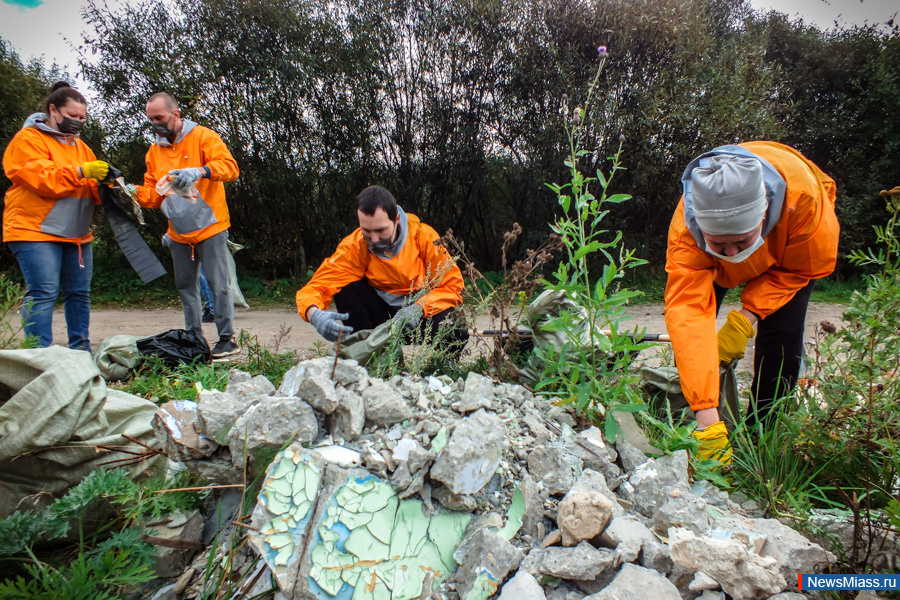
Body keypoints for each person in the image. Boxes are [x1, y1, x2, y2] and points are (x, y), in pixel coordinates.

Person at [665, 141, 839, 461]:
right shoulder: (687, 232)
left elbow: (803, 268)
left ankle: (762, 438)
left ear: (764, 213)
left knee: (782, 340)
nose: (732, 255)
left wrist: (748, 316)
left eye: (741, 242)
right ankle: (698, 420)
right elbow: (688, 313)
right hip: (709, 258)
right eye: (720, 243)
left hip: (787, 253)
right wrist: (707, 422)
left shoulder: (805, 203)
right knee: (693, 342)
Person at [2, 82, 109, 351]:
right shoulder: (28, 140)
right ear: (53, 110)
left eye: (82, 118)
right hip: (34, 230)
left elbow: (90, 189)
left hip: (76, 234)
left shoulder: (81, 147)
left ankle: (81, 355)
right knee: (43, 293)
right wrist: (82, 172)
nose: (78, 122)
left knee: (79, 295)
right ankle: (40, 360)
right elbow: (43, 180)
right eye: (72, 116)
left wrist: (112, 187)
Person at [133, 92, 240, 358]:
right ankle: (194, 338)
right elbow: (152, 194)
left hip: (210, 226)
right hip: (178, 232)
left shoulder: (204, 136)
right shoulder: (154, 151)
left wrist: (199, 171)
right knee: (185, 286)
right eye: (150, 119)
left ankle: (227, 339)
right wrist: (128, 192)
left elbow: (230, 168)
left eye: (159, 117)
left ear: (176, 114)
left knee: (219, 284)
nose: (155, 123)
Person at [296, 185, 467, 350]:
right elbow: (316, 287)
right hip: (379, 321)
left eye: (381, 230)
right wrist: (314, 314)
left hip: (419, 317)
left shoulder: (424, 237)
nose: (374, 240)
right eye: (367, 231)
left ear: (397, 219)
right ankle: (367, 356)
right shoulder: (355, 246)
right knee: (346, 287)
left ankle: (441, 369)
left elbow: (452, 287)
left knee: (455, 326)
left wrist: (419, 308)